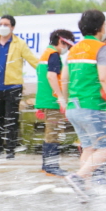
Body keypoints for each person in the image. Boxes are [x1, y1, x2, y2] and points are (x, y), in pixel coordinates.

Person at [61, 9, 106, 198]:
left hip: (74, 107)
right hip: (92, 107)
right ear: (100, 27)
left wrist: (65, 101)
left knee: (89, 148)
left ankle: (84, 189)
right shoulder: (100, 48)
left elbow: (64, 79)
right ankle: (78, 177)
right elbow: (104, 77)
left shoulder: (74, 49)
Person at [0, 14, 39, 158]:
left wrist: (47, 71)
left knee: (11, 119)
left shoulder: (19, 43)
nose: (2, 27)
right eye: (1, 24)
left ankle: (10, 149)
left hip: (13, 87)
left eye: (6, 24)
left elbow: (33, 60)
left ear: (12, 27)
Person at [34, 29, 74, 175]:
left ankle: (47, 165)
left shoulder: (46, 54)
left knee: (51, 133)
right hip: (52, 101)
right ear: (61, 41)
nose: (67, 49)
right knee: (54, 133)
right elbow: (51, 77)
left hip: (46, 100)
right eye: (67, 45)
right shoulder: (54, 55)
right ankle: (51, 166)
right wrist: (61, 97)